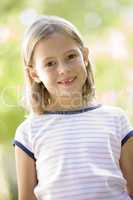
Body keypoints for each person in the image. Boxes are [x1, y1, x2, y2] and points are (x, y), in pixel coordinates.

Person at [13, 15, 133, 200]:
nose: (64, 69)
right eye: (50, 63)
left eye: (70, 56)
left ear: (84, 56)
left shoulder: (116, 119)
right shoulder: (28, 132)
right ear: (34, 73)